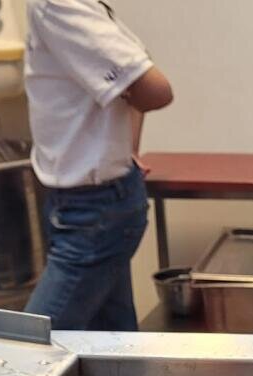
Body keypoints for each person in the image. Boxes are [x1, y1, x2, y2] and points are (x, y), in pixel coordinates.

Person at [23, 0, 173, 330]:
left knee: (29, 349)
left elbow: (154, 89)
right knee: (113, 348)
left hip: (93, 211)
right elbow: (133, 74)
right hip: (94, 205)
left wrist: (125, 148)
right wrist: (126, 147)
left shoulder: (55, 5)